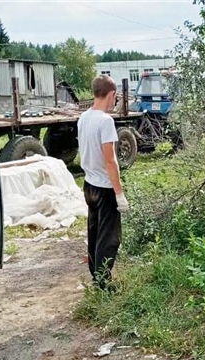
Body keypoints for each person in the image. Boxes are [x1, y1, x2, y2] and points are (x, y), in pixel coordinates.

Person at [78, 75, 129, 289]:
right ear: (111, 94)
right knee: (108, 238)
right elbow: (110, 160)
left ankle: (95, 275)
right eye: (114, 97)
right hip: (105, 187)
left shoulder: (84, 117)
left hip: (89, 183)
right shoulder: (105, 121)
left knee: (94, 232)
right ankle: (103, 282)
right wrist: (119, 194)